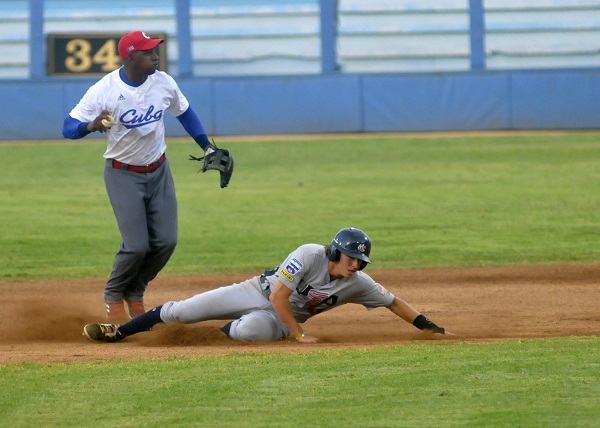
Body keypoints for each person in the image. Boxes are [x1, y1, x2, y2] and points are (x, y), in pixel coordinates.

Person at [63, 31, 221, 322]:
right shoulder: (105, 89)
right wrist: (91, 125)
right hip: (122, 173)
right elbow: (68, 127)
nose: (155, 55)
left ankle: (135, 293)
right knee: (137, 245)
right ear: (131, 57)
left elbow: (184, 112)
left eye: (155, 50)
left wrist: (207, 145)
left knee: (166, 241)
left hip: (159, 169)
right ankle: (113, 295)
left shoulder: (163, 82)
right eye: (148, 52)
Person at [83, 227, 451, 343]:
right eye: (351, 258)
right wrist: (299, 334)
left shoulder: (358, 283)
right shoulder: (309, 254)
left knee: (252, 334)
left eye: (361, 261)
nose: (356, 265)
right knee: (183, 310)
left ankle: (216, 334)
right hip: (257, 291)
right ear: (335, 252)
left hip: (273, 319)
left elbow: (394, 302)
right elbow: (278, 294)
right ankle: (119, 332)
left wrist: (431, 329)